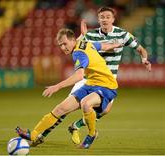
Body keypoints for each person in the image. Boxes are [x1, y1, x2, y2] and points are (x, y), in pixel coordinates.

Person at [33, 6, 152, 145]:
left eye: (108, 17)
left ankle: (76, 126)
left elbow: (141, 49)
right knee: (66, 108)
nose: (105, 19)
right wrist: (83, 35)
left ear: (113, 19)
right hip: (86, 77)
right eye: (102, 17)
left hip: (107, 80)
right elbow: (74, 43)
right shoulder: (90, 35)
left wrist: (144, 60)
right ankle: (42, 134)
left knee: (104, 110)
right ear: (98, 19)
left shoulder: (123, 34)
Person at [16, 28, 123, 149]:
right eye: (60, 45)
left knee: (86, 104)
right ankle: (34, 135)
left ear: (73, 40)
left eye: (65, 44)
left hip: (107, 86)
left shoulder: (79, 53)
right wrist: (115, 44)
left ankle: (91, 134)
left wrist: (57, 86)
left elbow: (78, 76)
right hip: (90, 84)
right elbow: (102, 46)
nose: (63, 47)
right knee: (60, 109)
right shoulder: (85, 43)